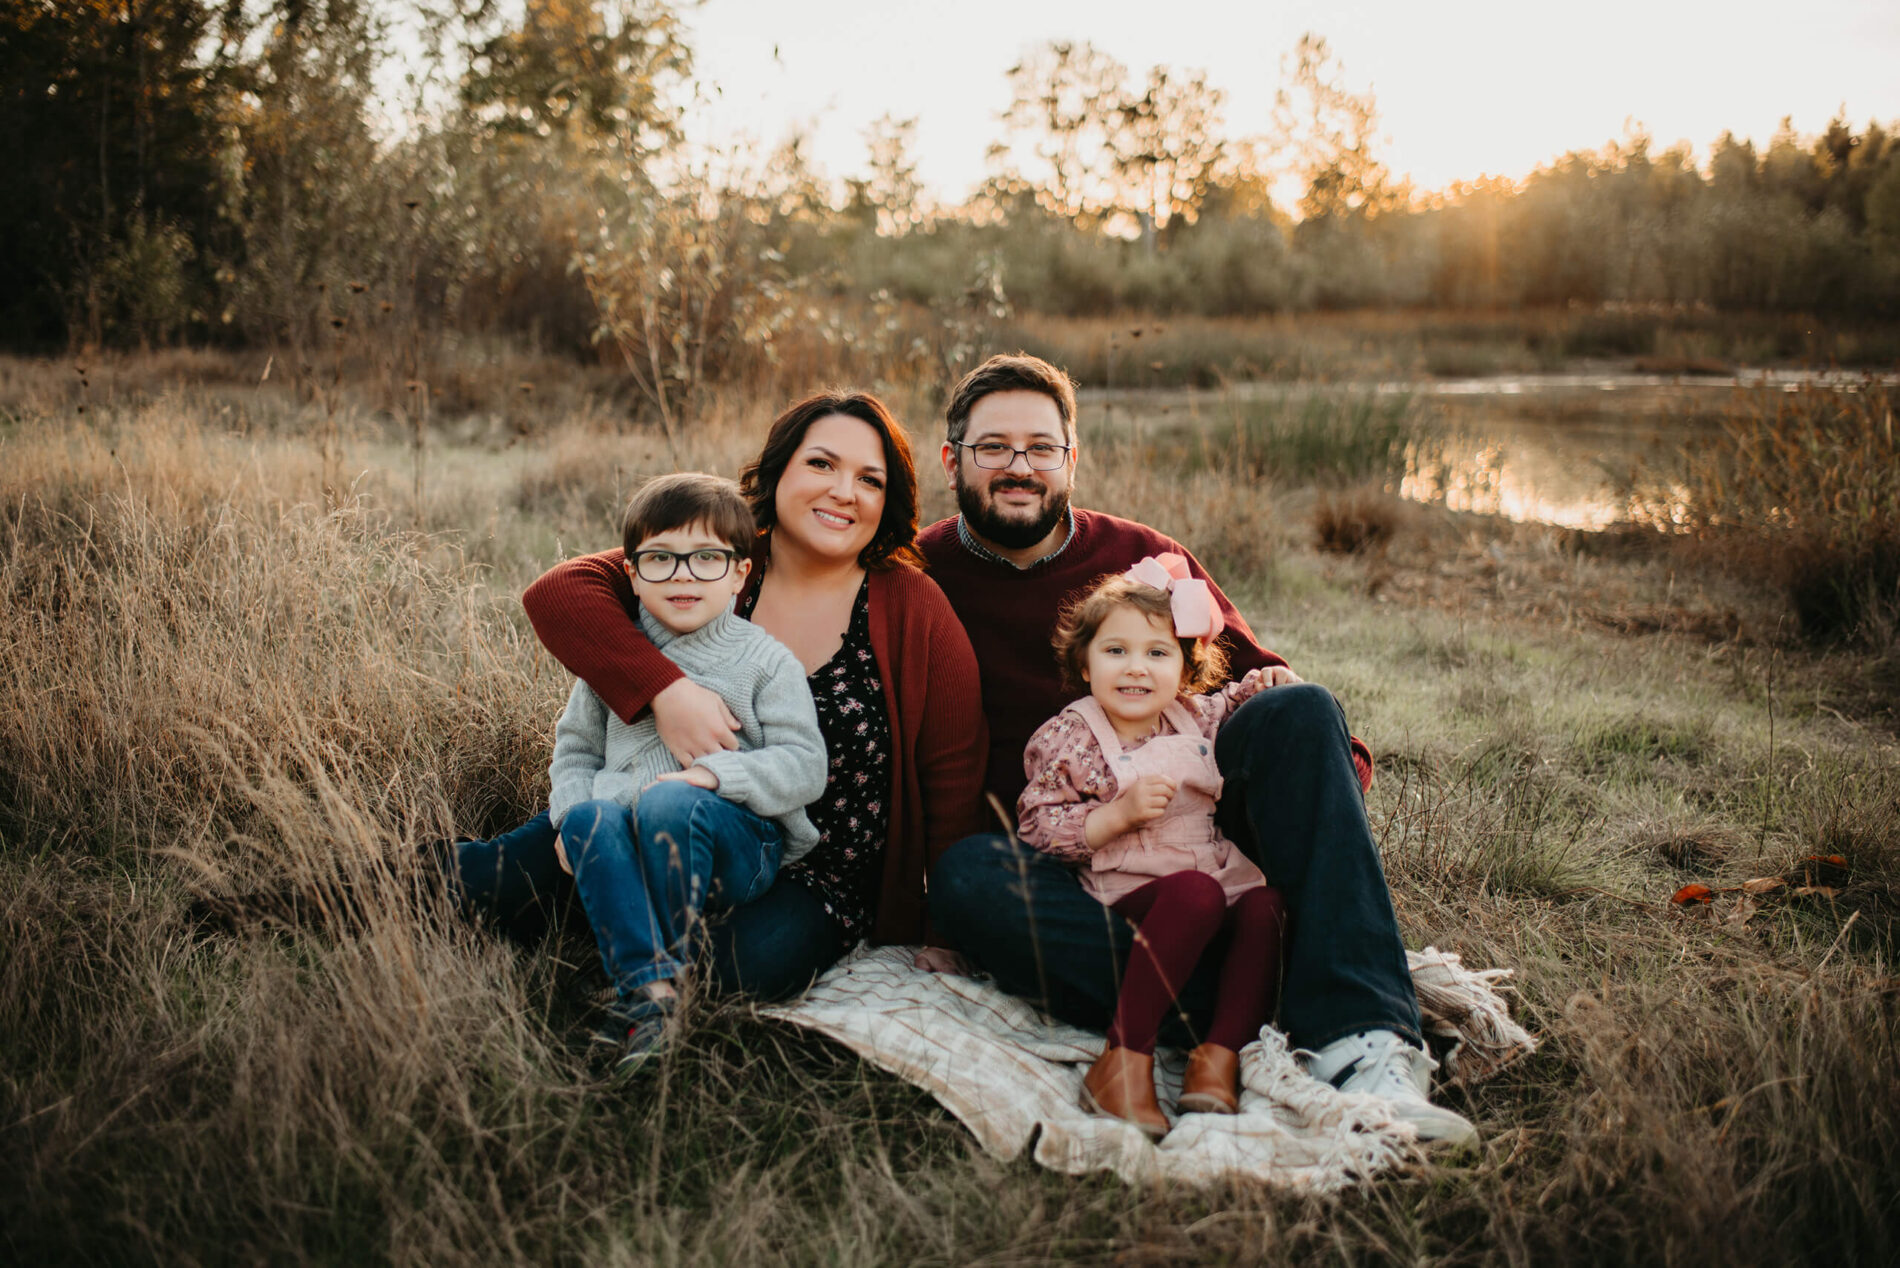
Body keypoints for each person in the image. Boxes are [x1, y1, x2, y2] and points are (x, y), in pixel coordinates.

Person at [923, 353, 1477, 1146]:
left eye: (1041, 447)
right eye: (994, 448)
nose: (1020, 467)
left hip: (1205, 828)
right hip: (1070, 861)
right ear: (954, 460)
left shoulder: (1144, 560)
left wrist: (1319, 808)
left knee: (1303, 705)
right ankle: (1272, 987)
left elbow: (1266, 698)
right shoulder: (921, 574)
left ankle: (1365, 1044)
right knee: (966, 880)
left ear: (1072, 458)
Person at [447, 392, 987, 1020]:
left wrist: (947, 930)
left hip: (813, 875)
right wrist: (667, 691)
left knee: (735, 968)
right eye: (821, 464)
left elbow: (953, 772)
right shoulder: (715, 561)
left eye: (870, 479)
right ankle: (335, 893)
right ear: (779, 471)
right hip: (634, 815)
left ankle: (619, 935)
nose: (845, 491)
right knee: (490, 881)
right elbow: (560, 591)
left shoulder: (911, 605)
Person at [545, 472, 826, 1068]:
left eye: (706, 559)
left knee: (667, 802)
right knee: (590, 815)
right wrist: (570, 817)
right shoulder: (613, 653)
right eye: (660, 559)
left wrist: (714, 776)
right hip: (632, 838)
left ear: (739, 573)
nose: (682, 575)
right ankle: (652, 999)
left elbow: (806, 767)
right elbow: (575, 753)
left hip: (738, 846)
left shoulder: (766, 661)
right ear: (631, 572)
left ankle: (664, 980)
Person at [1018, 562, 1287, 1138]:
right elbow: (1037, 826)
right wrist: (1113, 816)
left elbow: (1237, 703)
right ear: (1084, 664)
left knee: (1267, 907)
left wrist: (1266, 685)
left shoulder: (1193, 716)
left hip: (1216, 884)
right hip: (1131, 901)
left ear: (1186, 671)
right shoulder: (1073, 736)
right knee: (1195, 895)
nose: (1137, 667)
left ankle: (1218, 1058)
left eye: (1158, 654)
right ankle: (1122, 1060)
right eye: (1116, 651)